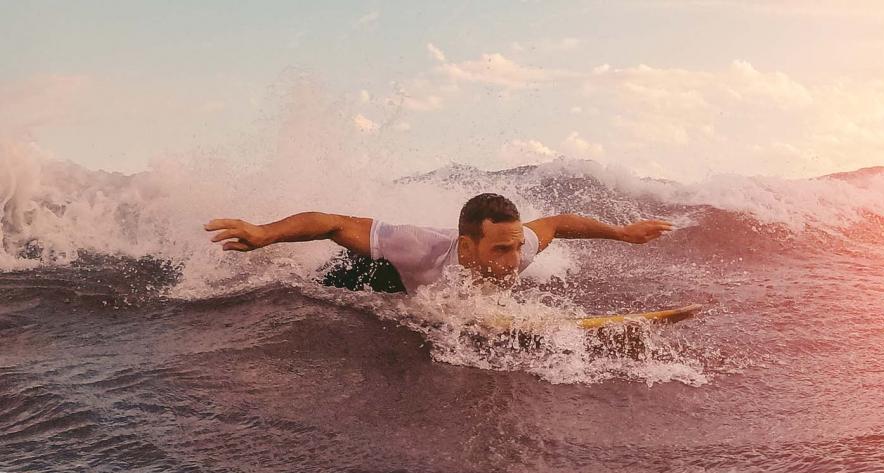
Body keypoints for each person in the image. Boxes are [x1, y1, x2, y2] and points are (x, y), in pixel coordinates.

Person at [203, 193, 672, 293]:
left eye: (515, 249)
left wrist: (624, 234)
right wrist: (264, 234)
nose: (514, 261)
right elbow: (331, 222)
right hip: (375, 278)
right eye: (499, 251)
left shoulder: (521, 243)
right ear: (468, 248)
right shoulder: (417, 246)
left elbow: (559, 223)